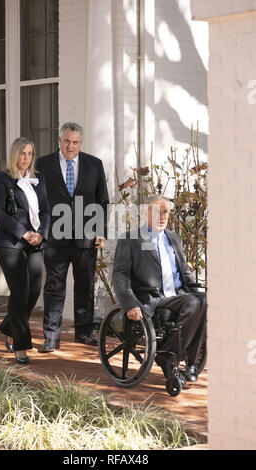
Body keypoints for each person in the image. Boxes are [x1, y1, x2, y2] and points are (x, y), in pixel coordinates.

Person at [112, 195, 207, 383]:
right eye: (156, 211)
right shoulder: (131, 239)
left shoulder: (174, 238)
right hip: (151, 298)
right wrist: (129, 303)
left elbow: (185, 272)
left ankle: (187, 361)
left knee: (203, 300)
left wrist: (199, 291)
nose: (162, 216)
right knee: (194, 303)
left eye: (165, 212)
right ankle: (171, 355)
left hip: (177, 295)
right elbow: (120, 275)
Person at [36, 122, 109, 352]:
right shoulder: (43, 165)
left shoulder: (94, 164)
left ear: (81, 143)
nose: (70, 146)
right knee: (54, 287)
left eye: (75, 142)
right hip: (55, 236)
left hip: (85, 236)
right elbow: (36, 199)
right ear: (59, 140)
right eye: (66, 141)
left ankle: (84, 332)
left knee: (85, 287)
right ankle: (51, 336)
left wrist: (100, 231)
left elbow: (102, 200)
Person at [0, 137, 50, 364]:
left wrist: (41, 233)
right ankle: (20, 344)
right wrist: (24, 233)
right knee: (20, 290)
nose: (26, 158)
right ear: (15, 154)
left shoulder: (39, 178)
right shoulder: (2, 179)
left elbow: (45, 210)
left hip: (35, 241)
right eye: (22, 153)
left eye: (30, 154)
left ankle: (9, 325)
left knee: (34, 289)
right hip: (10, 243)